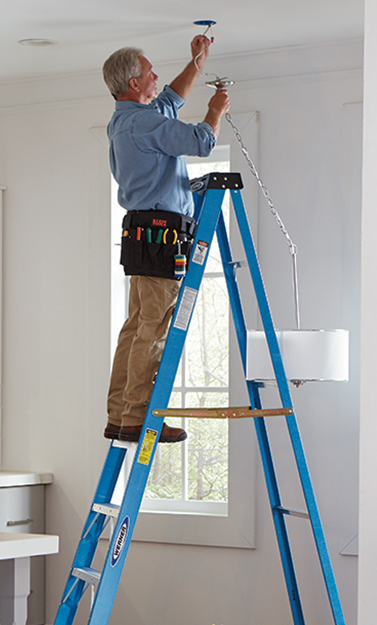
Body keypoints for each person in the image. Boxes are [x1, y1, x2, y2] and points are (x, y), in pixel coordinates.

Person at [102, 36, 230, 443]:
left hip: (143, 234)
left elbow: (171, 98)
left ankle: (121, 414)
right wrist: (215, 111)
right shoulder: (143, 123)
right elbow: (201, 142)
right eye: (150, 71)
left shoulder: (125, 120)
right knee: (154, 329)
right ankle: (138, 418)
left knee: (137, 326)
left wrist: (197, 62)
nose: (157, 75)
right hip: (161, 236)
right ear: (135, 84)